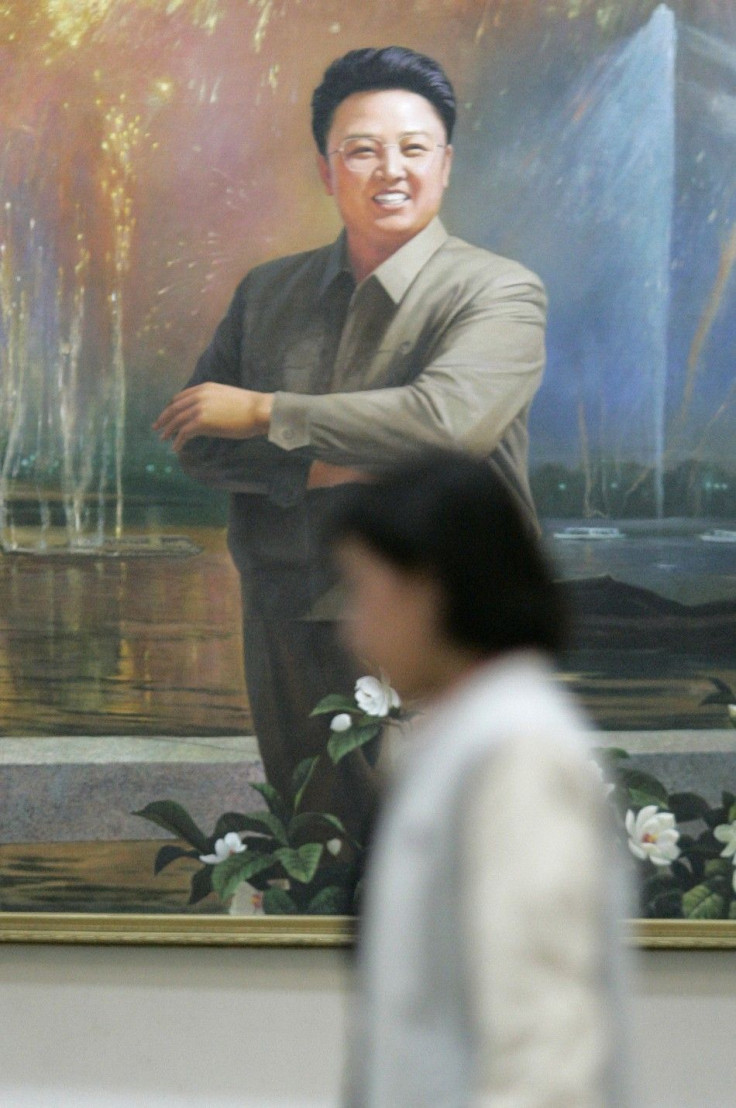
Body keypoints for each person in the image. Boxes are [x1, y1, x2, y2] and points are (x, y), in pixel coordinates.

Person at [153, 46, 547, 840]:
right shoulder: (268, 293)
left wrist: (268, 412)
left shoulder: (498, 291)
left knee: (446, 860)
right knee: (314, 852)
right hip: (285, 617)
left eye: (412, 148)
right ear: (328, 171)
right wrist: (339, 465)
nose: (388, 170)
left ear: (445, 163)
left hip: (439, 621)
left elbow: (445, 424)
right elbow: (199, 440)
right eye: (361, 150)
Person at [328, 451, 632, 1107]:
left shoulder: (518, 751)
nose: (352, 629)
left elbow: (545, 1044)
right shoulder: (457, 739)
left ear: (430, 588)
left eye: (363, 590)